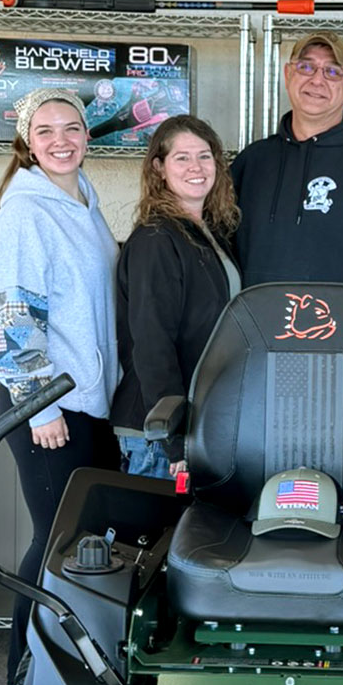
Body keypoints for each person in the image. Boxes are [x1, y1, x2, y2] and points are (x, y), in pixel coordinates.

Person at [0, 87, 121, 683]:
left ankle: (65, 668)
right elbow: (9, 315)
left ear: (88, 136)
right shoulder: (25, 212)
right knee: (54, 544)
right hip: (46, 407)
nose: (61, 140)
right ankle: (24, 675)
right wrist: (39, 406)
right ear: (27, 143)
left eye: (72, 128)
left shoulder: (84, 200)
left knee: (77, 540)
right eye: (46, 131)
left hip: (88, 403)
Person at [230, 31, 343, 309]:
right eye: (306, 67)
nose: (317, 80)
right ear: (288, 74)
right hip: (251, 343)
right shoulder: (252, 161)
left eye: (332, 71)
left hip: (331, 346)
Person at [112, 115, 242, 480]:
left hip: (199, 426)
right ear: (159, 167)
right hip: (159, 437)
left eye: (204, 156)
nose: (196, 167)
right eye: (182, 158)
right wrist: (173, 437)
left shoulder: (208, 232)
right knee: (161, 539)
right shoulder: (157, 240)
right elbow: (152, 344)